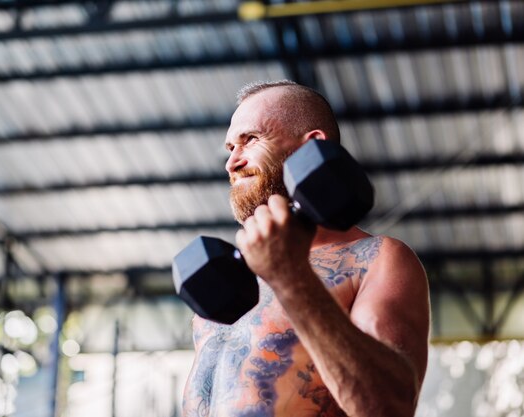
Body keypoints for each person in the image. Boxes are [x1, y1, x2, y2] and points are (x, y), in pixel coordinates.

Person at [182, 80, 430, 417]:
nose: (232, 163)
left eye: (250, 140)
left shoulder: (376, 259)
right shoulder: (228, 282)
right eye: (230, 148)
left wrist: (289, 276)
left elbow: (390, 407)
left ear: (310, 146)